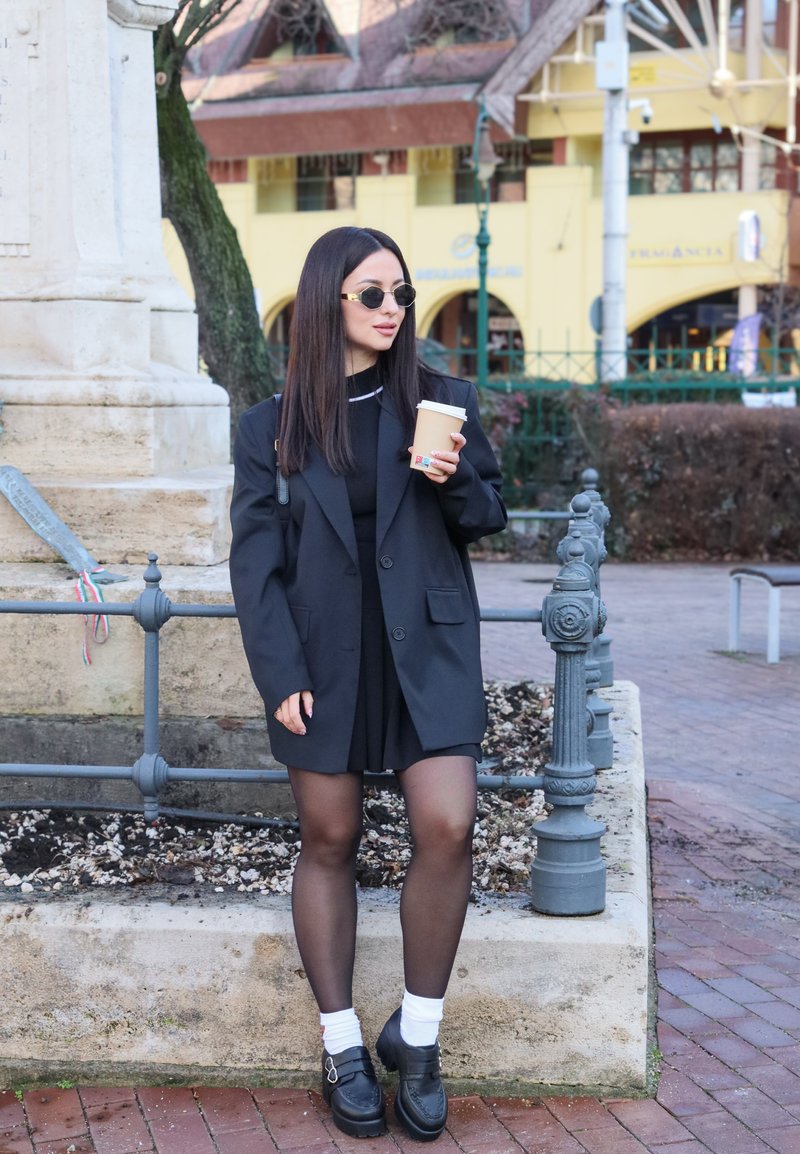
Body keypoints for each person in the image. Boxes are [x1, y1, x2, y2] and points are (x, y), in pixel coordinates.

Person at [229, 226, 506, 1142]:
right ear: (328, 304)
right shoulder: (268, 428)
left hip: (426, 651)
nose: (393, 310)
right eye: (373, 295)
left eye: (401, 293)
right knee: (330, 836)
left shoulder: (444, 400)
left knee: (448, 824)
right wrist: (278, 673)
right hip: (322, 662)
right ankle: (342, 1043)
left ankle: (416, 1041)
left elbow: (487, 516)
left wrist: (452, 472)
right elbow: (256, 564)